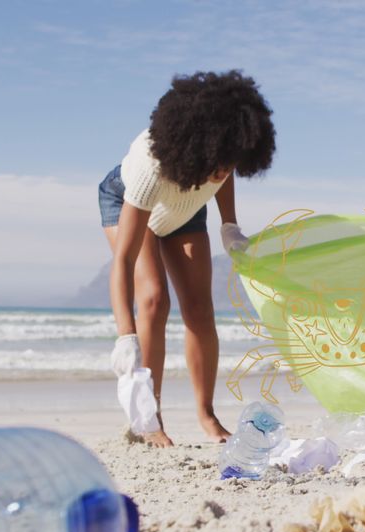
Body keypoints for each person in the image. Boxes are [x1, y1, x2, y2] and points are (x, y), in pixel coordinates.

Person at [99, 70, 277, 446]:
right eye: (220, 163)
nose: (225, 172)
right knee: (153, 300)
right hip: (133, 201)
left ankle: (207, 416)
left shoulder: (222, 154)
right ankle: (149, 420)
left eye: (231, 164)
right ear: (198, 148)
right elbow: (124, 262)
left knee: (199, 308)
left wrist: (229, 225)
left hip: (184, 208)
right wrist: (125, 336)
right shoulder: (152, 165)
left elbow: (222, 176)